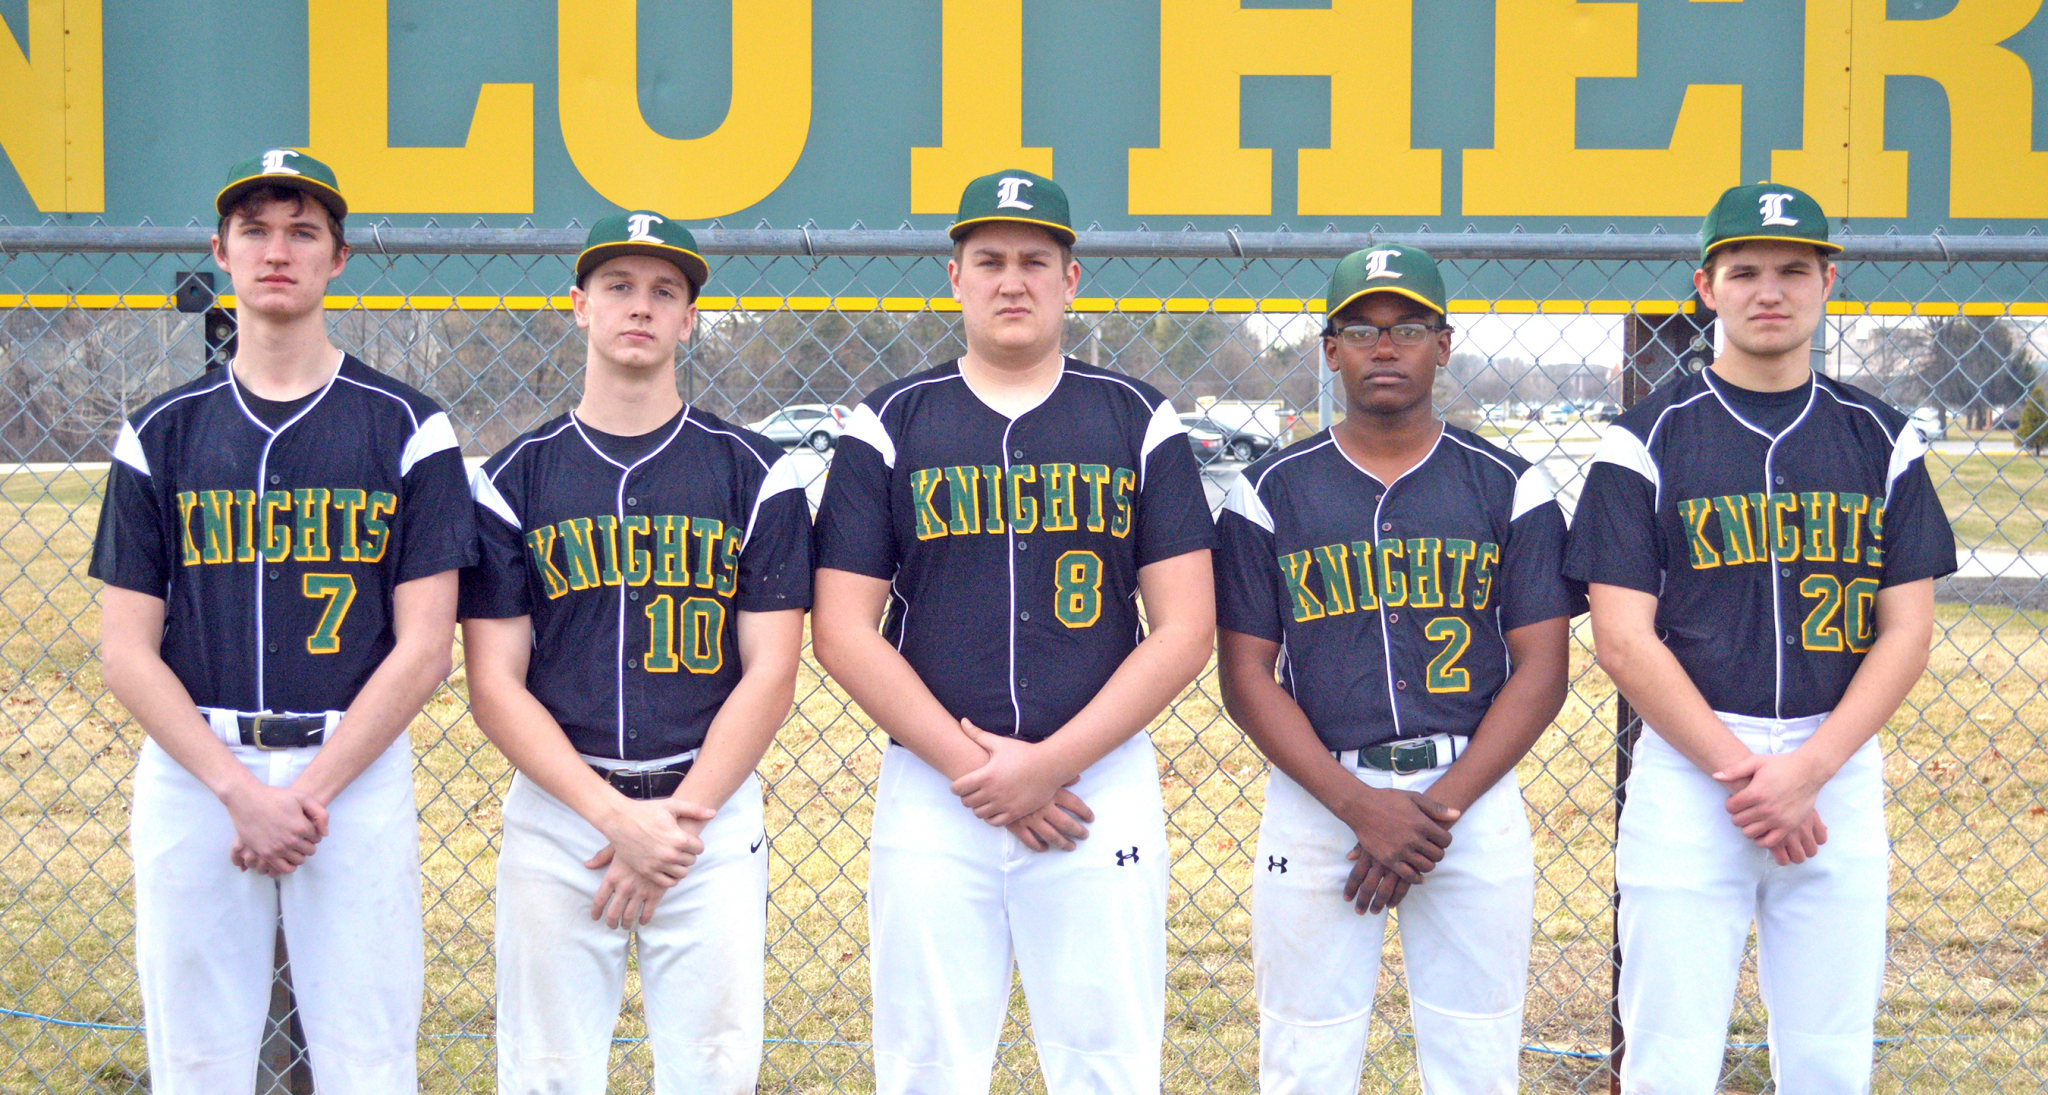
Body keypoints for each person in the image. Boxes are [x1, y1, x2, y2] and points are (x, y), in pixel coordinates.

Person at [809, 169, 1215, 1095]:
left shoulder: (1136, 415)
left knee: (1109, 1064)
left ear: (1072, 280)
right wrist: (976, 767)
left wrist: (1050, 762)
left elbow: (1185, 626)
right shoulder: (890, 421)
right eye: (988, 259)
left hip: (1097, 782)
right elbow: (841, 628)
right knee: (924, 1068)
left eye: (1036, 259)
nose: (1012, 279)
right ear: (954, 278)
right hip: (933, 784)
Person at [90, 149, 475, 1093]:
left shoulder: (409, 427)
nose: (278, 250)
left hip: (353, 767)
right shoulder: (160, 432)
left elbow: (426, 644)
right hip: (197, 774)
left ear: (337, 258)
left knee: (370, 1058)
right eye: (255, 230)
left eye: (303, 231)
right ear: (221, 251)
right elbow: (125, 650)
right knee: (195, 1058)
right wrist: (238, 790)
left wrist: (306, 794)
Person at [1565, 183, 1957, 1094]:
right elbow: (1622, 639)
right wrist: (1750, 774)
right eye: (1744, 271)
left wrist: (1810, 768)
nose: (1767, 290)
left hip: (1835, 770)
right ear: (1707, 286)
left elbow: (1907, 630)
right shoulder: (1643, 441)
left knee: (1829, 1051)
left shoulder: (1882, 439)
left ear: (1829, 282)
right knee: (1668, 1050)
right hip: (1692, 773)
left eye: (1792, 269)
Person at [1215, 244, 1580, 1093]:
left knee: (1478, 1053)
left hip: (1470, 796)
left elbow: (1544, 668)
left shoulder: (1509, 484)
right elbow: (1245, 677)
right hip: (1318, 799)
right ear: (1329, 347)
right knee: (1305, 1050)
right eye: (1363, 328)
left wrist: (1434, 809)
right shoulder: (1268, 490)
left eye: (1408, 327)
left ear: (1443, 345)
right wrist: (1358, 807)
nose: (1386, 346)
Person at [459, 212, 811, 1094]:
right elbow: (494, 682)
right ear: (578, 305)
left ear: (691, 318)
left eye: (666, 291)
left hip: (708, 814)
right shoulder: (513, 479)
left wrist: (674, 823)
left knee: (715, 1070)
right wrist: (614, 818)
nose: (641, 307)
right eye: (618, 286)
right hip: (561, 810)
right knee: (543, 1071)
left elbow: (771, 668)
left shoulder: (753, 472)